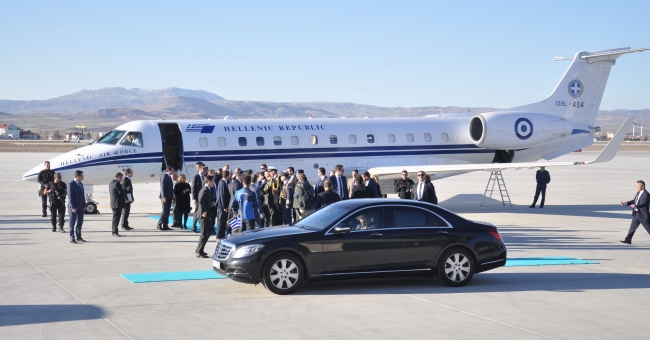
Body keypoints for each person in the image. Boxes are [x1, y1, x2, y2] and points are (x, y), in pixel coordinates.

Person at [620, 180, 650, 244]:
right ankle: (628, 239)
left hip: (643, 215)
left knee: (648, 229)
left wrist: (636, 205)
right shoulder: (638, 193)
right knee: (632, 228)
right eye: (636, 186)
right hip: (637, 214)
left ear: (642, 186)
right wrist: (626, 203)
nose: (636, 187)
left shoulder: (646, 194)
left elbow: (644, 203)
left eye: (637, 186)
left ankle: (628, 239)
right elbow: (634, 201)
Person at [195, 175, 215, 257]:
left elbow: (205, 200)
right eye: (213, 181)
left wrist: (211, 203)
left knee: (209, 231)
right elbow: (201, 201)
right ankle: (199, 251)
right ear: (209, 181)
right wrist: (204, 211)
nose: (213, 183)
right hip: (203, 215)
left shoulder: (207, 189)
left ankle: (200, 249)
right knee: (204, 233)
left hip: (207, 214)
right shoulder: (205, 190)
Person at [67, 170, 86, 243]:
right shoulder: (71, 184)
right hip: (73, 207)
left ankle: (78, 236)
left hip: (80, 207)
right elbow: (70, 197)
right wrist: (73, 207)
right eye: (82, 176)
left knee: (80, 222)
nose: (83, 177)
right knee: (72, 223)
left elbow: (82, 195)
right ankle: (72, 238)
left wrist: (84, 205)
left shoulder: (81, 184)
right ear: (78, 176)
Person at [157, 166, 175, 230]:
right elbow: (163, 187)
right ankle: (159, 224)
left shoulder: (169, 177)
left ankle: (165, 225)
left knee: (167, 211)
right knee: (164, 211)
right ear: (169, 170)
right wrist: (164, 196)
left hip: (169, 197)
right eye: (172, 170)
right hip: (165, 197)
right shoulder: (165, 176)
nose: (173, 171)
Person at [109, 172, 126, 237]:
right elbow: (121, 192)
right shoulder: (117, 183)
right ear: (118, 177)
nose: (121, 179)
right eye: (121, 178)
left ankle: (114, 231)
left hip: (114, 203)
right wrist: (125, 189)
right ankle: (114, 232)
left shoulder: (111, 183)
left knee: (115, 218)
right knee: (116, 218)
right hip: (117, 204)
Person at [215, 170, 230, 239]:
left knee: (223, 221)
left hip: (224, 205)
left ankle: (222, 234)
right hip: (222, 206)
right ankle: (219, 235)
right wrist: (224, 206)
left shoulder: (224, 182)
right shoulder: (222, 183)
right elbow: (222, 195)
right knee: (221, 221)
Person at [191, 162, 205, 232]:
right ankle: (194, 227)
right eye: (203, 168)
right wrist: (193, 198)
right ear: (199, 169)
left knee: (201, 211)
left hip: (203, 197)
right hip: (197, 197)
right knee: (196, 212)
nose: (204, 170)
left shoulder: (204, 176)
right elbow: (193, 188)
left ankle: (202, 226)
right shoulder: (196, 177)